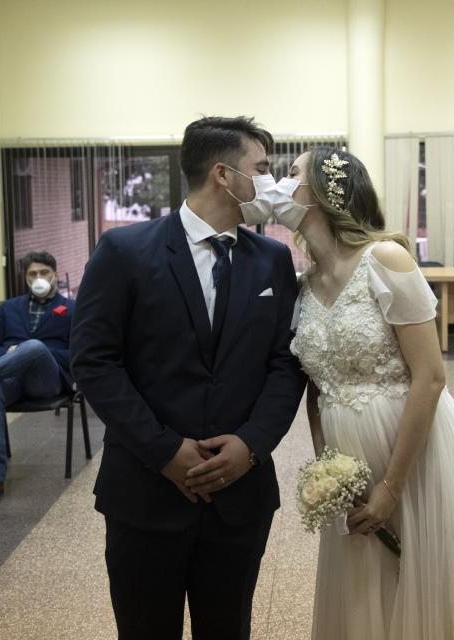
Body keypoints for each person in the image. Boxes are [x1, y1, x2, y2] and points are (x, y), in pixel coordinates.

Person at [71, 116, 306, 639]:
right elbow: (94, 362)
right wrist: (164, 450)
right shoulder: (126, 252)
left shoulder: (271, 259)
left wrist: (251, 445)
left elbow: (286, 363)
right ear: (224, 174)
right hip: (145, 492)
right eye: (262, 169)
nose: (271, 184)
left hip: (240, 496)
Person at [272, 147, 454, 640]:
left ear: (323, 190)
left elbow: (430, 376)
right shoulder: (303, 284)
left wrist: (392, 486)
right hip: (348, 459)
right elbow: (315, 389)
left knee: (424, 580)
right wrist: (326, 467)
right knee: (365, 583)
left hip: (415, 451)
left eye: (290, 173)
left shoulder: (385, 259)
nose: (278, 182)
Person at [0, 251, 74, 507]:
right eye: (32, 274)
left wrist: (35, 352)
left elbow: (77, 354)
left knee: (34, 347)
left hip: (47, 381)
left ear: (54, 274)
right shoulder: (9, 308)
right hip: (9, 380)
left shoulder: (71, 309)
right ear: (25, 278)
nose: (38, 278)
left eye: (44, 273)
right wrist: (9, 354)